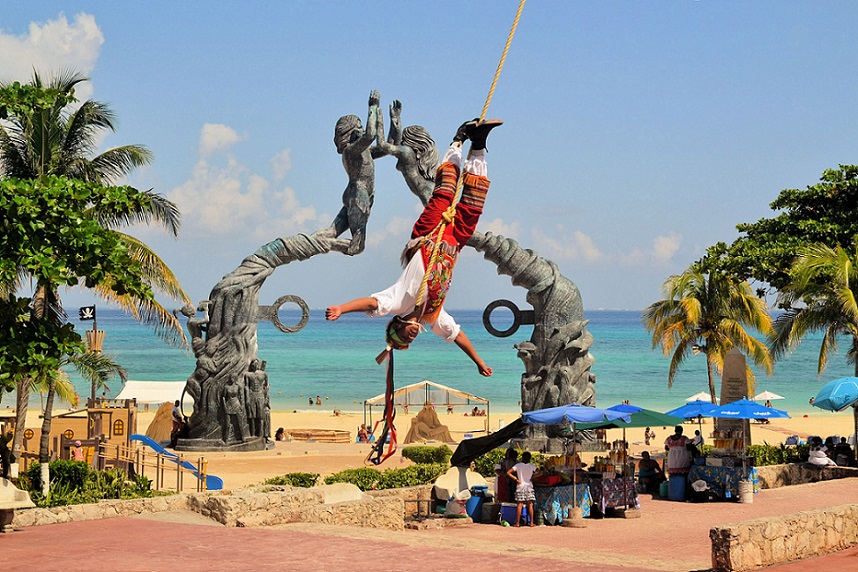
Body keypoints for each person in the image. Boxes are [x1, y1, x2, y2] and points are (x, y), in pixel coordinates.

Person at [326, 119, 502, 376]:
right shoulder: (434, 316)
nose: (411, 337)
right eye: (410, 341)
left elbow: (370, 304)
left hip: (427, 237)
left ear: (396, 325)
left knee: (444, 193)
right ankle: (479, 143)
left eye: (404, 337)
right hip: (452, 246)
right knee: (474, 203)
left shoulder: (398, 303)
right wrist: (479, 362)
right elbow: (458, 336)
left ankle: (458, 140)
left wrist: (342, 308)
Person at [328, 90, 384, 255]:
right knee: (357, 246)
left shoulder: (364, 152)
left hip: (364, 195)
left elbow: (386, 146)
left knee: (332, 233)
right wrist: (372, 107)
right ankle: (325, 244)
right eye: (358, 126)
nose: (362, 128)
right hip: (358, 196)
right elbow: (370, 135)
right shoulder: (350, 151)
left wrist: (392, 121)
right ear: (349, 132)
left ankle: (322, 242)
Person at [507, 451, 538, 527]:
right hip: (529, 486)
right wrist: (533, 477)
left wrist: (515, 479)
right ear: (530, 459)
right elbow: (541, 472)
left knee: (519, 504)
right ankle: (531, 523)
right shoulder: (531, 466)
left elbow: (508, 472)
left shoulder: (518, 465)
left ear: (522, 458)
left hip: (520, 486)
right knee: (530, 504)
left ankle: (517, 523)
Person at [664, 426, 693, 493]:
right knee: (683, 474)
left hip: (672, 458)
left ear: (675, 430)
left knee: (673, 475)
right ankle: (682, 491)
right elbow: (689, 447)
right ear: (682, 431)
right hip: (682, 457)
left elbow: (666, 447)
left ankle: (674, 491)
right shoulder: (684, 439)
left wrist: (673, 449)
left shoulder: (669, 439)